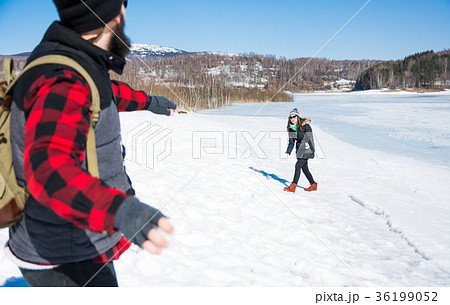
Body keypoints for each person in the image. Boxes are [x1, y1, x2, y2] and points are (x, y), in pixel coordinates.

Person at [6, 0, 177, 287]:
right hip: (62, 255)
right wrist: (122, 211)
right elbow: (48, 169)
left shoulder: (68, 62)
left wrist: (151, 102)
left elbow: (105, 93)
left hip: (68, 238)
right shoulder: (64, 80)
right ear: (114, 16)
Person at [284, 108, 318, 193]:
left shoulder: (305, 126)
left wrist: (307, 144)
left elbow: (310, 137)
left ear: (298, 117)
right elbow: (291, 142)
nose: (292, 119)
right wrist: (288, 152)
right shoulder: (292, 128)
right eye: (290, 117)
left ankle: (293, 186)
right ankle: (313, 184)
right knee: (304, 168)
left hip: (307, 149)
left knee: (298, 166)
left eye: (294, 117)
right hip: (299, 150)